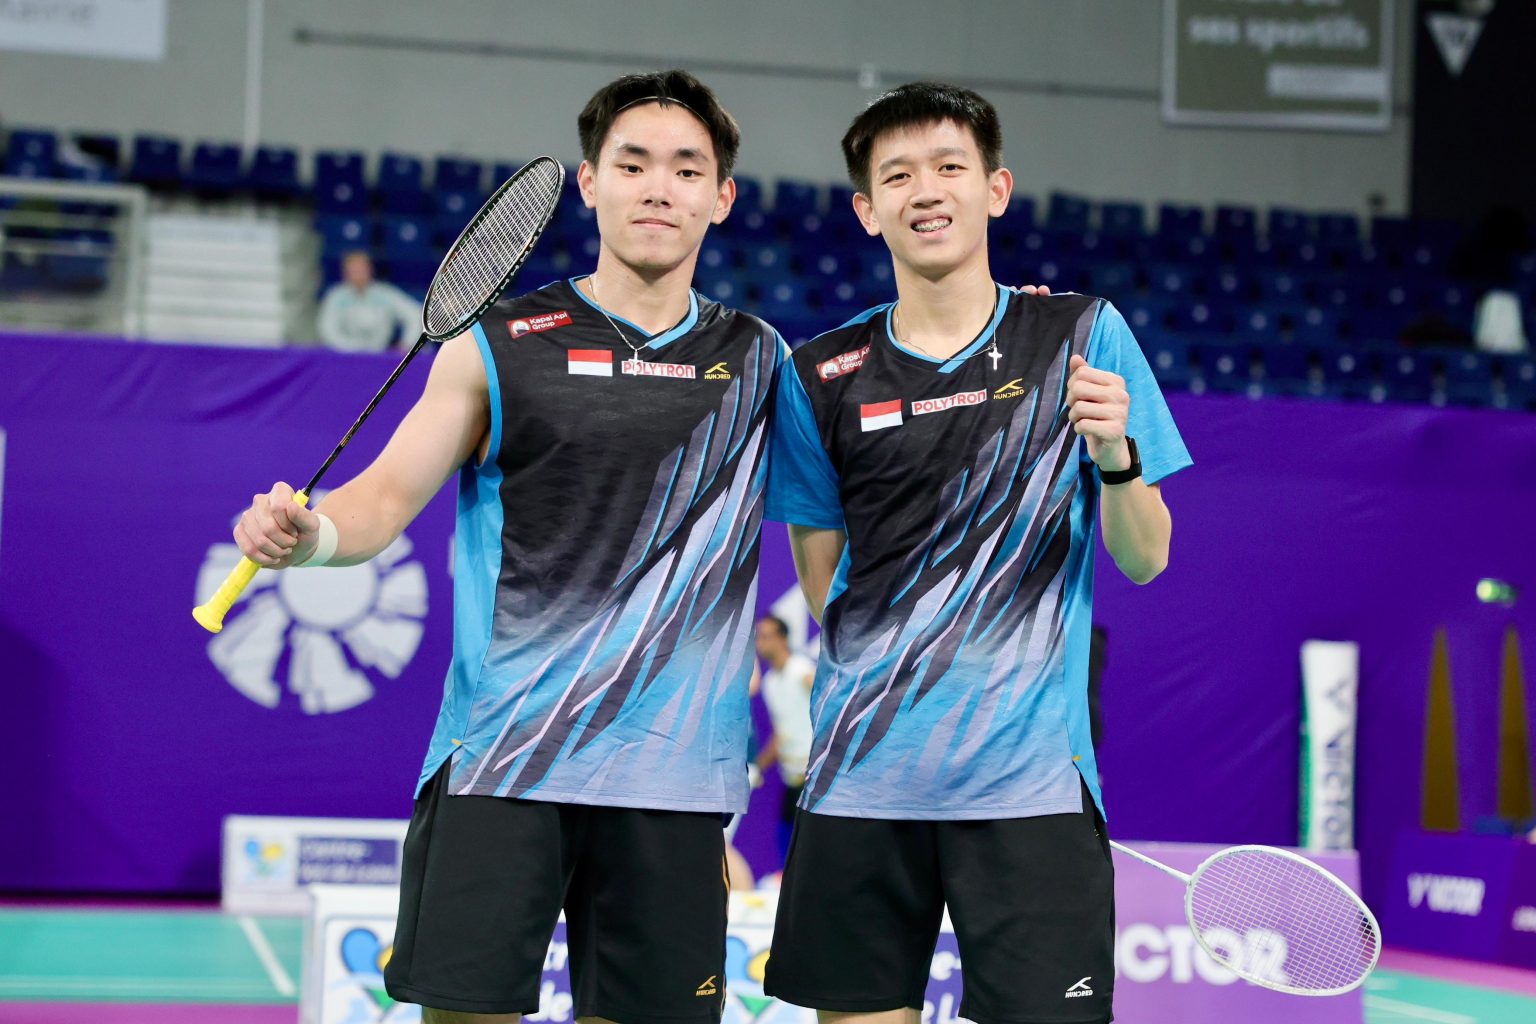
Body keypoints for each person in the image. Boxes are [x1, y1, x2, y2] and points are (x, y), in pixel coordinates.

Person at [231, 69, 779, 1024]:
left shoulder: (761, 360)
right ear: (589, 182)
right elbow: (383, 500)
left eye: (688, 170)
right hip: (503, 759)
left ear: (721, 197)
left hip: (674, 777)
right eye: (633, 164)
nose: (659, 188)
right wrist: (310, 534)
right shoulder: (500, 343)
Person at [761, 83, 1193, 1024]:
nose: (926, 190)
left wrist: (1115, 456)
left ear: (995, 189)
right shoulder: (820, 374)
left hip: (1029, 790)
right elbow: (824, 582)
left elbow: (1148, 557)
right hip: (863, 783)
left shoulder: (1080, 337)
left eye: (949, 166)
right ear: (866, 210)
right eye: (898, 176)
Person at [753, 614, 816, 856]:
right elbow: (781, 735)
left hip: (814, 778)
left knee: (808, 850)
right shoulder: (770, 682)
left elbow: (829, 707)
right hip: (793, 779)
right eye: (758, 637)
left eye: (765, 636)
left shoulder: (801, 670)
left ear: (782, 639)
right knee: (788, 844)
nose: (760, 643)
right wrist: (756, 767)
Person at [316, 249, 423, 352]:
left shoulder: (385, 293)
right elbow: (327, 329)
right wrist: (348, 350)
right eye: (353, 270)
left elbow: (416, 314)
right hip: (344, 356)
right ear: (345, 273)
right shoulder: (335, 296)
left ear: (370, 270)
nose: (358, 274)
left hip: (379, 356)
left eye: (361, 269)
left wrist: (406, 344)